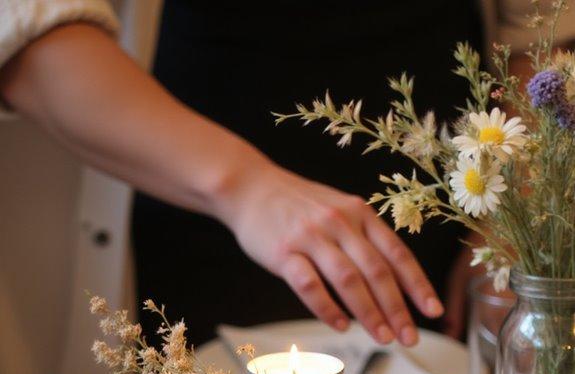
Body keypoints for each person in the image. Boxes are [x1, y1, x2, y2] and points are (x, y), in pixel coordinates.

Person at [1, 2, 574, 348]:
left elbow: (542, 38)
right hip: (189, 209)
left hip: (451, 240)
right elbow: (28, 31)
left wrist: (511, 215)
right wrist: (245, 189)